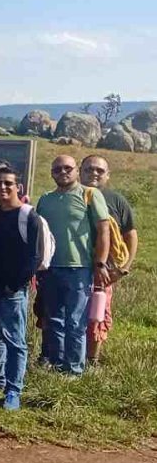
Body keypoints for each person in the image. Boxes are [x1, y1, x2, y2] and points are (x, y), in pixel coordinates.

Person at [35, 154, 111, 376]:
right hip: (49, 269)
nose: (63, 172)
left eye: (67, 168)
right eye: (57, 169)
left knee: (76, 322)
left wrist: (100, 262)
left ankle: (75, 370)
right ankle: (57, 366)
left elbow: (103, 229)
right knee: (54, 320)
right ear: (52, 173)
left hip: (80, 268)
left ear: (77, 170)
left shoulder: (90, 194)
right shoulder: (45, 199)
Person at [0, 169, 42, 410]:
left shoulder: (28, 216)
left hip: (12, 289)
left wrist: (14, 285)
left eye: (8, 183)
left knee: (15, 341)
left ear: (19, 187)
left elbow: (33, 257)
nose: (2, 188)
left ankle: (14, 390)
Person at [79, 154, 138, 366]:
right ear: (80, 170)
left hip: (104, 270)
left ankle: (91, 359)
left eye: (99, 170)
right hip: (71, 264)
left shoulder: (116, 200)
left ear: (107, 175)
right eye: (88, 169)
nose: (94, 173)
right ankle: (62, 357)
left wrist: (124, 267)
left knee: (97, 313)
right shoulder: (69, 195)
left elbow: (130, 234)